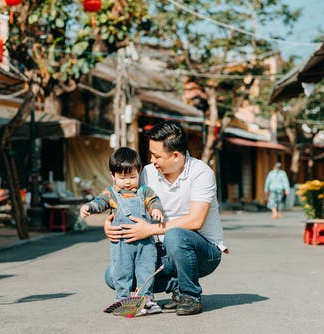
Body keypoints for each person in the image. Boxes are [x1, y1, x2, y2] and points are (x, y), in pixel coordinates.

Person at [104, 120, 227, 316]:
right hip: (162, 251)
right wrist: (109, 224)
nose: (151, 160)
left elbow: (196, 221)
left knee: (175, 235)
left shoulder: (201, 173)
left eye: (156, 155)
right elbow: (126, 202)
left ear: (175, 155)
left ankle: (191, 296)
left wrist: (150, 230)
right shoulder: (147, 173)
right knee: (113, 275)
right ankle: (176, 285)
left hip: (205, 251)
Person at [80, 147, 165, 315]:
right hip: (121, 242)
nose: (128, 182)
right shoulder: (111, 193)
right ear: (113, 176)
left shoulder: (144, 191)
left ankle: (146, 300)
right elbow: (100, 202)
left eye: (132, 177)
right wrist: (89, 207)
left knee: (146, 270)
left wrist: (156, 210)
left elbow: (154, 201)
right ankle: (121, 298)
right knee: (121, 270)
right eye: (122, 177)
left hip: (145, 242)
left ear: (139, 172)